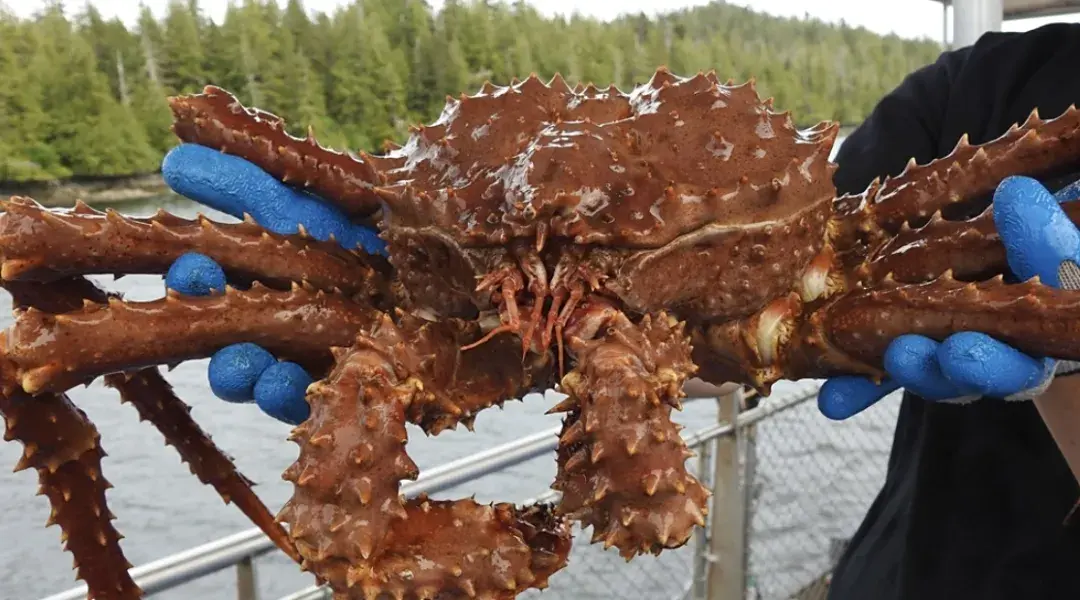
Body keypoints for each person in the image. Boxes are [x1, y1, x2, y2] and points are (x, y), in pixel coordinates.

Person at [158, 23, 1080, 599]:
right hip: (901, 567)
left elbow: (835, 236)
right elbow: (841, 204)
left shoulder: (844, 257)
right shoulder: (976, 81)